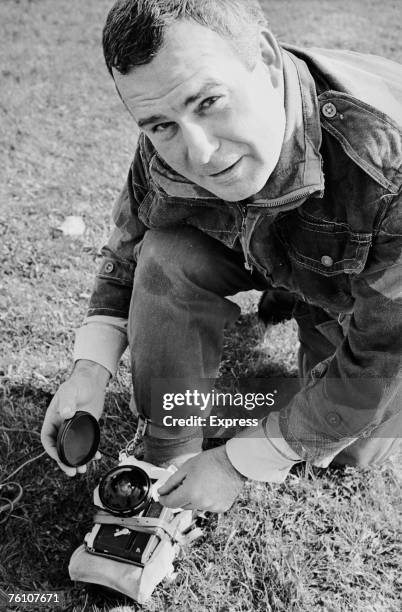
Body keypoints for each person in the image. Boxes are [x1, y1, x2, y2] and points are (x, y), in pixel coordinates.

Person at [41, 0, 402, 514]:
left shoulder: (389, 174)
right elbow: (129, 247)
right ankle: (170, 447)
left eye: (208, 101)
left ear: (267, 60)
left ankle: (300, 309)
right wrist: (89, 372)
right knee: (165, 251)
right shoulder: (168, 134)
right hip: (283, 238)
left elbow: (379, 364)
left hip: (362, 264)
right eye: (161, 125)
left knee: (357, 446)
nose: (200, 153)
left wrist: (242, 460)